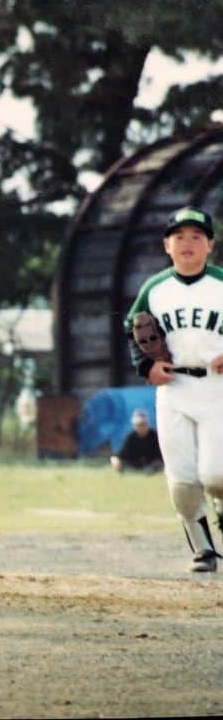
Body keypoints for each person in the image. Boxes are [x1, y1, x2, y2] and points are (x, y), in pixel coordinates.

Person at [125, 206, 223, 573]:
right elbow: (132, 329)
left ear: (209, 245)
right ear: (166, 245)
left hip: (218, 389)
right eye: (179, 237)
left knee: (217, 475)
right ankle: (205, 552)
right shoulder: (155, 288)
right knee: (182, 480)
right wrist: (146, 366)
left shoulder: (221, 284)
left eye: (196, 236)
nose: (187, 243)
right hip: (174, 389)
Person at [110, 409, 163, 473]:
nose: (141, 427)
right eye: (138, 425)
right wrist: (115, 460)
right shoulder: (131, 437)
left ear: (148, 424)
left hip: (153, 465)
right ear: (134, 426)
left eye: (143, 424)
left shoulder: (155, 436)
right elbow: (121, 454)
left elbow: (162, 457)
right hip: (135, 466)